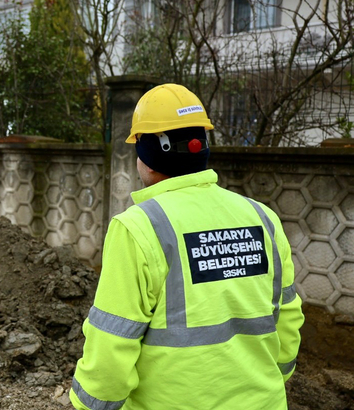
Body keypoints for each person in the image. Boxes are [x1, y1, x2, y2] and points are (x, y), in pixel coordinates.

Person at [69, 83, 304, 410]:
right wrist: (271, 381)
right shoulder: (263, 218)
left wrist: (90, 404)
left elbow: (112, 345)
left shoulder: (138, 228)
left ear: (148, 156)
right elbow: (287, 318)